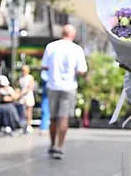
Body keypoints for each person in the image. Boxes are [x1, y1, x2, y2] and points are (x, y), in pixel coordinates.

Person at [41, 24, 87, 159]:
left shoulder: (51, 46)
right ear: (73, 35)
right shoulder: (77, 49)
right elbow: (82, 70)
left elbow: (44, 66)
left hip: (53, 85)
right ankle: (60, 146)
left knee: (53, 118)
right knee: (64, 118)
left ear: (62, 33)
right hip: (69, 87)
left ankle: (51, 144)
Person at [18, 65, 36, 133]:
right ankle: (23, 125)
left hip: (28, 95)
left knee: (29, 111)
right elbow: (19, 87)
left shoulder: (30, 77)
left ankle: (29, 125)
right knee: (22, 111)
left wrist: (23, 93)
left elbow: (30, 87)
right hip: (22, 96)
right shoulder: (20, 78)